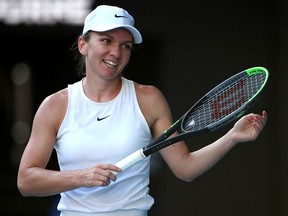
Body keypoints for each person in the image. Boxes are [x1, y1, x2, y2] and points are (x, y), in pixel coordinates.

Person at [17, 5, 268, 216]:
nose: (116, 52)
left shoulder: (148, 99)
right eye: (106, 40)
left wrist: (232, 136)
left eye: (125, 46)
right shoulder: (56, 105)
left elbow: (185, 168)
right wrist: (82, 177)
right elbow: (26, 181)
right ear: (83, 44)